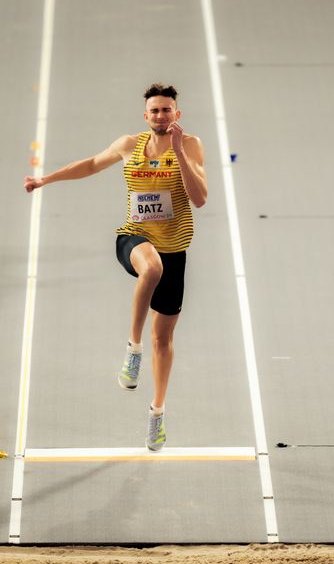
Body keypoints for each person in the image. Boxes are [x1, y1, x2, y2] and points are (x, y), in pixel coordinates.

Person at [24, 83, 208, 451]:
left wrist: (178, 154)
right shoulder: (129, 145)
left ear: (177, 114)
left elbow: (200, 199)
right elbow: (92, 164)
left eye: (166, 110)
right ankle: (132, 349)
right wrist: (45, 179)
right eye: (154, 110)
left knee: (165, 340)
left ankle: (157, 413)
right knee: (151, 269)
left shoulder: (189, 145)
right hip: (135, 238)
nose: (160, 115)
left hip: (176, 249)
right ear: (146, 116)